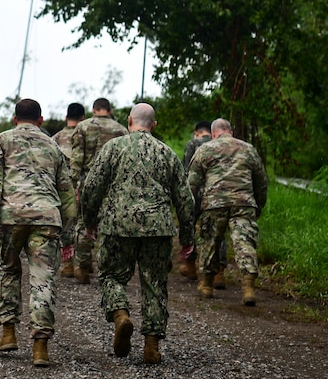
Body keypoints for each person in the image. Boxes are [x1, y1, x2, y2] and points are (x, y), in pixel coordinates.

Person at [80, 102, 195, 365]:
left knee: (111, 275)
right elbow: (185, 200)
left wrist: (89, 221)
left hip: (118, 225)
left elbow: (92, 187)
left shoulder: (112, 148)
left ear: (129, 121)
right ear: (153, 125)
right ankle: (151, 346)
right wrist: (187, 239)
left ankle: (121, 315)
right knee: (155, 283)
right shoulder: (167, 153)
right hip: (158, 229)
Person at [0, 98, 76, 367]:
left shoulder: (1, 141)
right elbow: (67, 193)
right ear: (41, 120)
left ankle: (8, 333)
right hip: (47, 217)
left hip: (12, 216)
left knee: (8, 270)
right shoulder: (53, 145)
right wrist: (68, 235)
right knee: (42, 279)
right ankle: (40, 348)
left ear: (14, 119)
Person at [187, 118, 268, 306]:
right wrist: (259, 205)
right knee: (245, 243)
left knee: (211, 242)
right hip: (244, 203)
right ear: (230, 132)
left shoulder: (205, 149)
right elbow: (261, 181)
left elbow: (192, 183)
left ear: (213, 133)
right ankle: (248, 288)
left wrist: (189, 210)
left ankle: (207, 285)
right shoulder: (248, 149)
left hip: (215, 204)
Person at [68, 97, 128, 283]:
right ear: (109, 110)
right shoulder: (121, 130)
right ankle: (106, 267)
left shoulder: (83, 127)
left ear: (94, 110)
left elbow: (76, 160)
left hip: (88, 183)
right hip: (113, 186)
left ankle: (82, 266)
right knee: (109, 226)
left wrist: (73, 185)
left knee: (84, 223)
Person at [179, 121, 226, 284]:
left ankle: (190, 264)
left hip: (197, 193)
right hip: (217, 194)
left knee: (188, 225)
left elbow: (186, 170)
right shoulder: (218, 145)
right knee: (217, 231)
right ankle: (219, 271)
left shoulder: (193, 144)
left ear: (196, 132)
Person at [52, 102, 84, 278]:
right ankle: (83, 263)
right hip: (85, 186)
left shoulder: (56, 138)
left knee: (66, 225)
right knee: (84, 225)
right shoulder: (85, 135)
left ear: (66, 118)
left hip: (64, 188)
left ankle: (67, 264)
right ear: (82, 118)